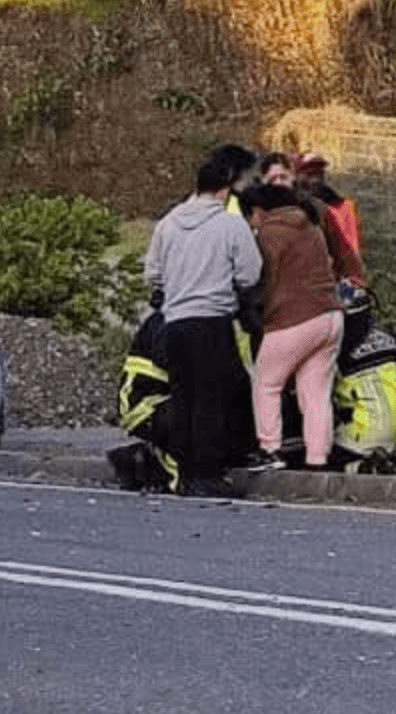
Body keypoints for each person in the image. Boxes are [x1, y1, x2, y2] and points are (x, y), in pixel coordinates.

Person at [142, 155, 263, 496]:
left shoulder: (167, 223)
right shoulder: (230, 225)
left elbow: (152, 272)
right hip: (213, 320)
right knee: (212, 399)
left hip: (176, 321)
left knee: (183, 397)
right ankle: (208, 474)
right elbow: (249, 273)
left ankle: (184, 473)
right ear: (224, 190)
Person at [243, 183, 344, 470]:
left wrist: (254, 310)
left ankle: (269, 449)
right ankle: (317, 458)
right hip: (330, 315)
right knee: (315, 393)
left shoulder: (269, 233)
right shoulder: (310, 225)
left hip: (293, 318)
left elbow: (262, 278)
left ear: (258, 212)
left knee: (266, 383)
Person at [295, 152, 362, 272]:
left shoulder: (341, 208)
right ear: (296, 176)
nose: (315, 179)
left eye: (319, 174)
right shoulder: (289, 208)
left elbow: (351, 254)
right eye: (309, 174)